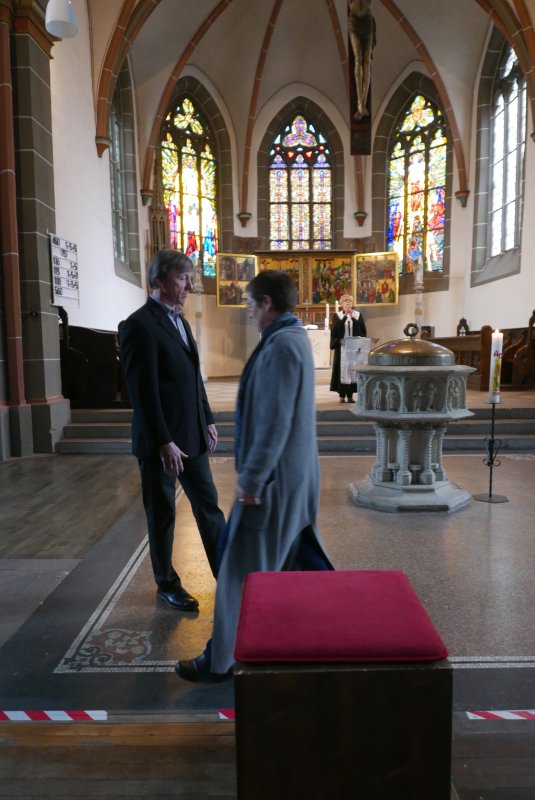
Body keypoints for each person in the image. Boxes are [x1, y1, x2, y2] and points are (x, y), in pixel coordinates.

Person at [175, 269, 333, 682]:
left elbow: (275, 421)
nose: (247, 312)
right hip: (293, 479)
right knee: (299, 562)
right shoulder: (292, 338)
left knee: (238, 570)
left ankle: (220, 660)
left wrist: (253, 479)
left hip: (273, 485)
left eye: (249, 304)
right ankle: (328, 631)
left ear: (267, 303)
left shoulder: (282, 345)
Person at [119, 249, 225, 612]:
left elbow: (192, 377)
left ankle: (228, 575)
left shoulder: (180, 321)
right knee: (162, 515)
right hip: (160, 445)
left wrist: (207, 418)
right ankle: (167, 584)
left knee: (209, 508)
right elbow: (143, 394)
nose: (190, 286)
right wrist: (164, 441)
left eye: (190, 278)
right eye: (184, 278)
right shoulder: (138, 325)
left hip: (191, 437)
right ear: (161, 279)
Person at [330, 293, 367, 403]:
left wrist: (353, 318)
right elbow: (335, 330)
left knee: (352, 370)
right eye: (345, 301)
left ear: (352, 303)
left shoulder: (358, 315)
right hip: (342, 347)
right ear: (342, 304)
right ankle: (342, 395)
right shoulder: (338, 316)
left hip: (354, 347)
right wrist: (345, 316)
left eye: (350, 301)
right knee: (342, 370)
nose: (348, 303)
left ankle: (350, 395)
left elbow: (362, 330)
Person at [348, 0, 376, 120]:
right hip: (354, 21)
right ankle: (360, 103)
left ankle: (363, 103)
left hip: (367, 22)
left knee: (366, 62)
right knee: (358, 60)